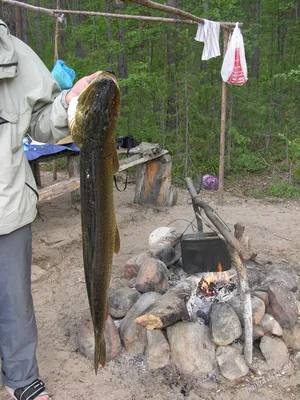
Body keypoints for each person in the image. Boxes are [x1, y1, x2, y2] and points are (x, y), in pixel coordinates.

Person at [0, 19, 100, 400]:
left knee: (14, 300)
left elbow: (42, 121)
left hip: (6, 201)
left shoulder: (18, 56)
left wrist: (69, 101)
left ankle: (22, 378)